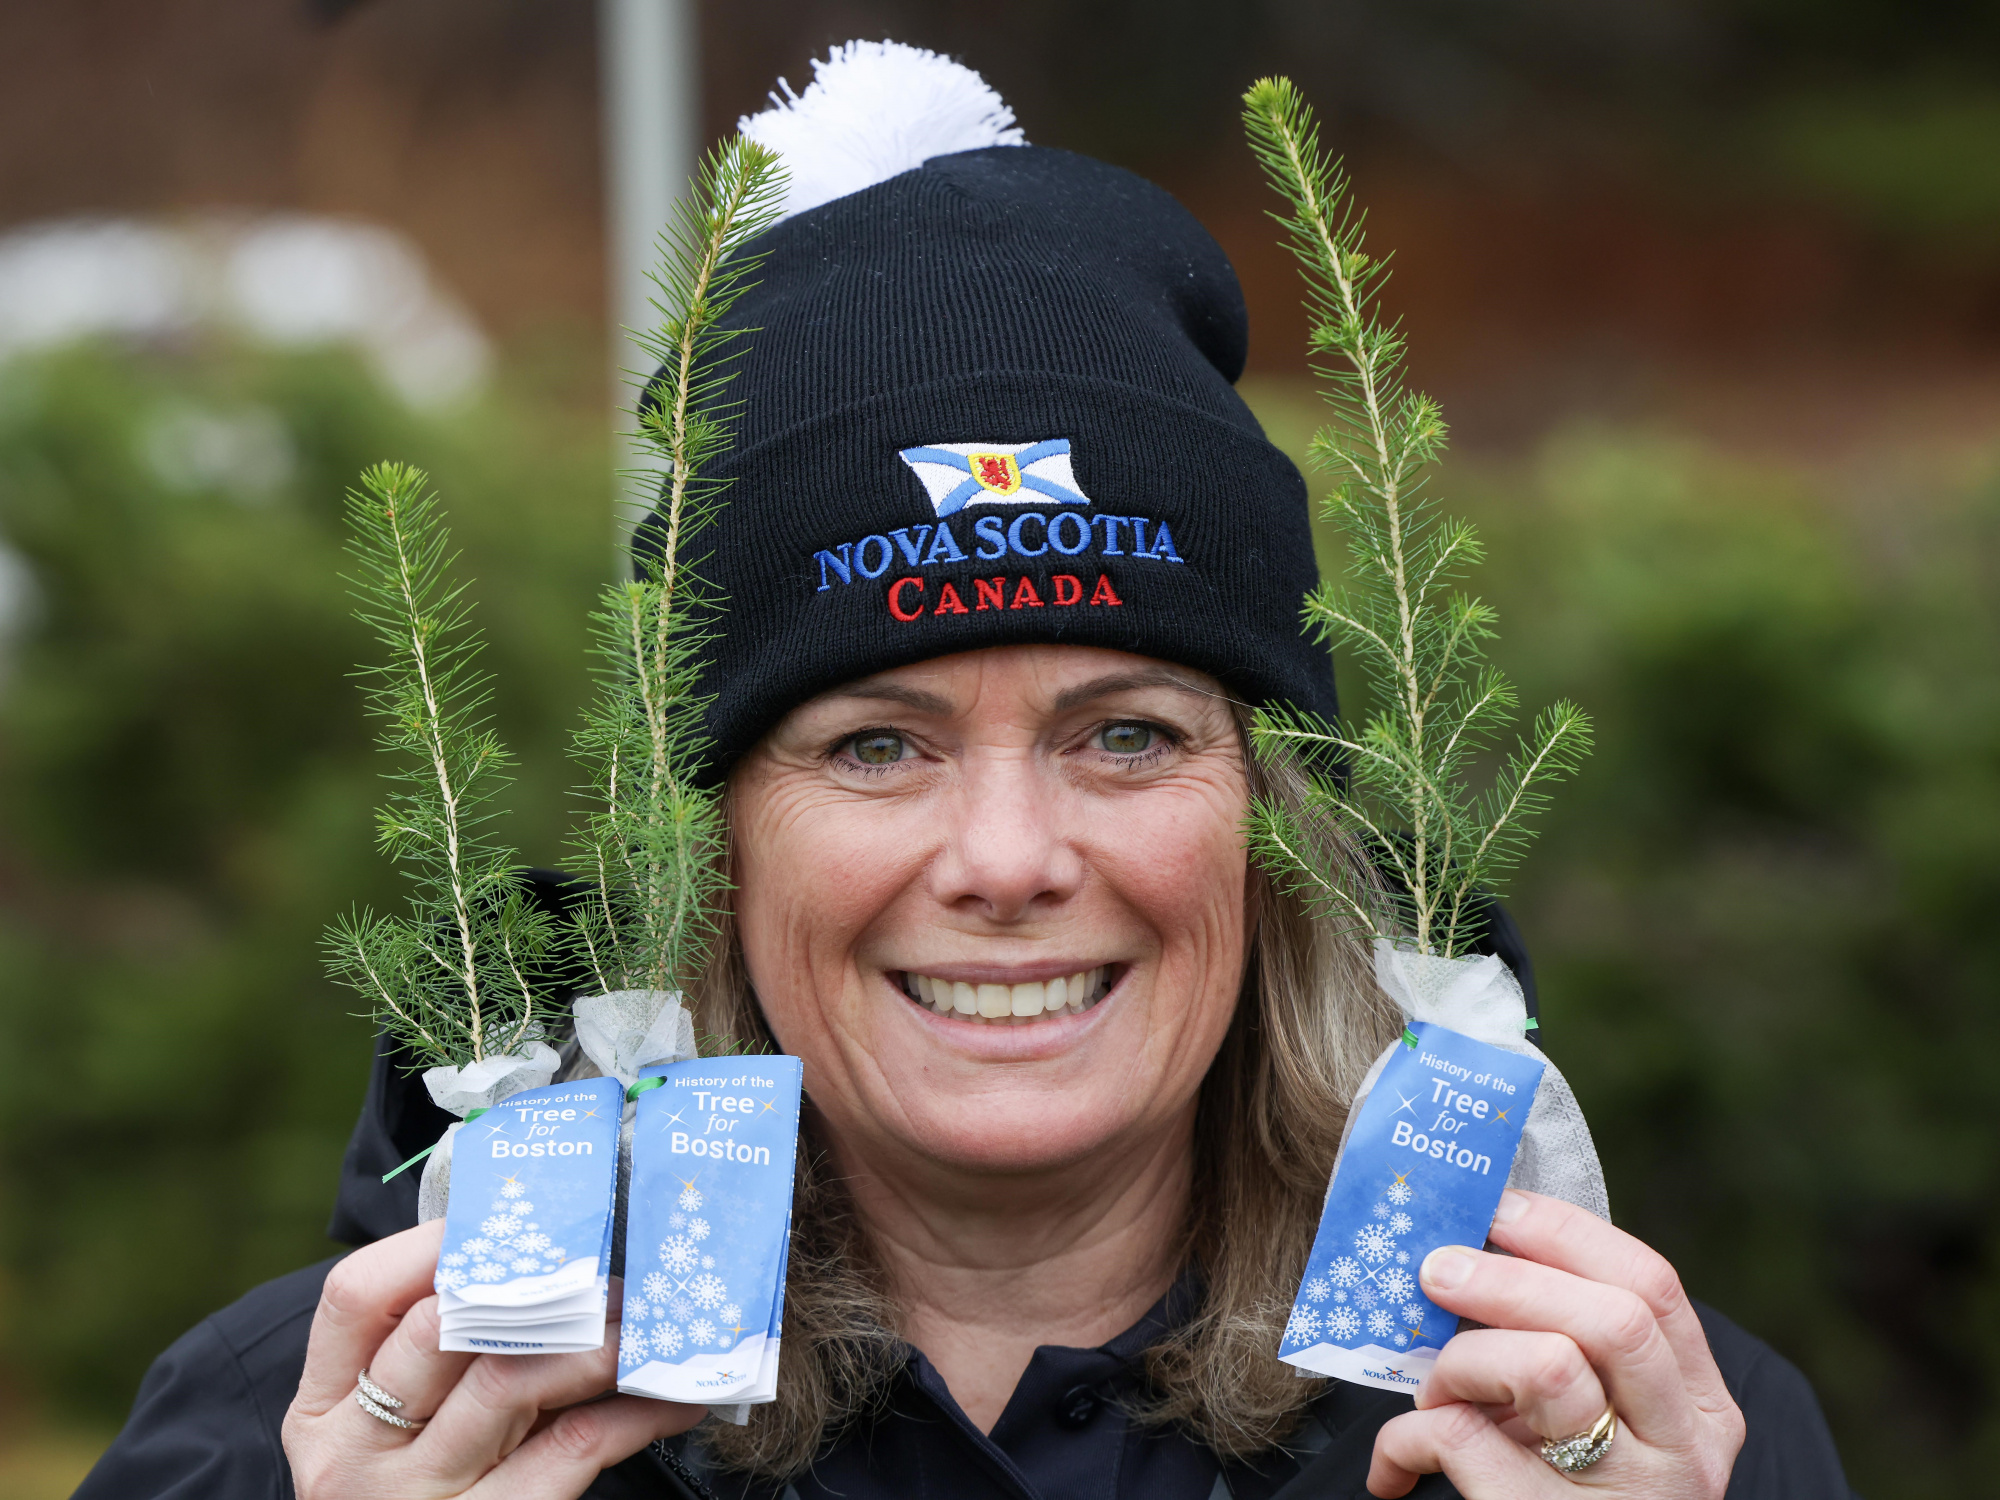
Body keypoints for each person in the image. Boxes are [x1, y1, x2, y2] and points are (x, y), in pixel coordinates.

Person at [75, 42, 1855, 1500]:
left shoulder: (1627, 1433)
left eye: (1130, 736)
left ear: (1270, 824)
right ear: (710, 851)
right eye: (873, 744)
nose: (1007, 858)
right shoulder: (301, 1443)